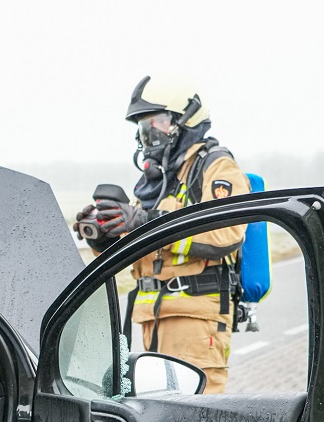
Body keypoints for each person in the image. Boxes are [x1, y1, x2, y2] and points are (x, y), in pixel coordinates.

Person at [75, 75, 250, 393]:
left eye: (157, 122)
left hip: (197, 323)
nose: (150, 133)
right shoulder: (155, 184)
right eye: (144, 125)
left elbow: (225, 234)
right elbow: (139, 250)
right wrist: (104, 235)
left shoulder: (216, 167)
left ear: (186, 120)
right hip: (151, 321)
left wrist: (144, 219)